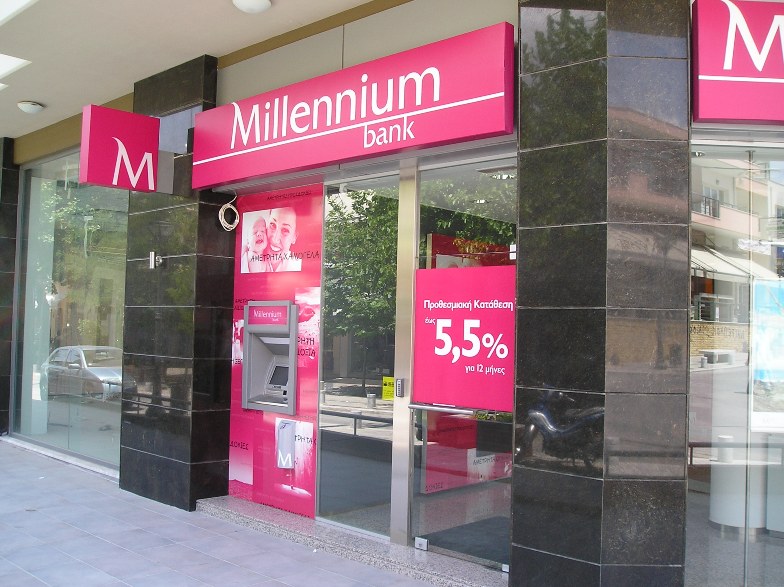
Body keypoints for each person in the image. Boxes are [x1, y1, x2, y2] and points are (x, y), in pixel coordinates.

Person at [266, 207, 302, 272]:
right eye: (272, 225)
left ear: (294, 237)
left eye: (285, 230)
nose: (275, 240)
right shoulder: (248, 258)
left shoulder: (298, 266)